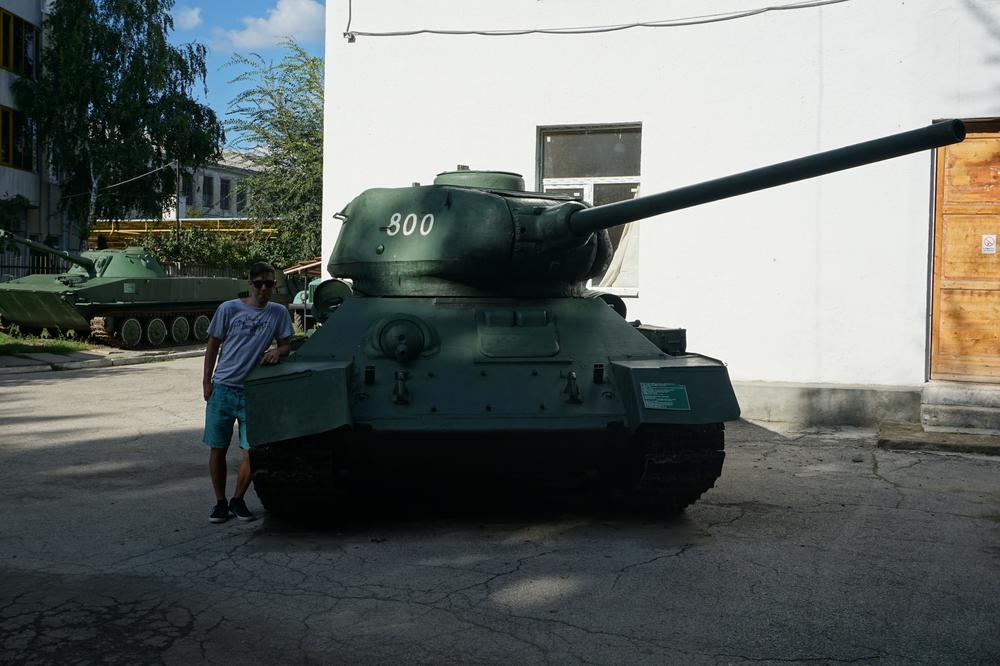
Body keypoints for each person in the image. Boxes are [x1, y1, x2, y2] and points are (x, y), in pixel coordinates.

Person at [202, 261, 293, 523]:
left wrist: (277, 351)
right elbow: (212, 345)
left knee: (251, 451)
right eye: (259, 284)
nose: (265, 288)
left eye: (270, 284)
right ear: (250, 284)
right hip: (223, 388)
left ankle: (237, 499)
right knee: (217, 447)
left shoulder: (278, 313)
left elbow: (286, 344)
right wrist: (207, 382)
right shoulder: (229, 309)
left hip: (253, 392)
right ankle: (220, 502)